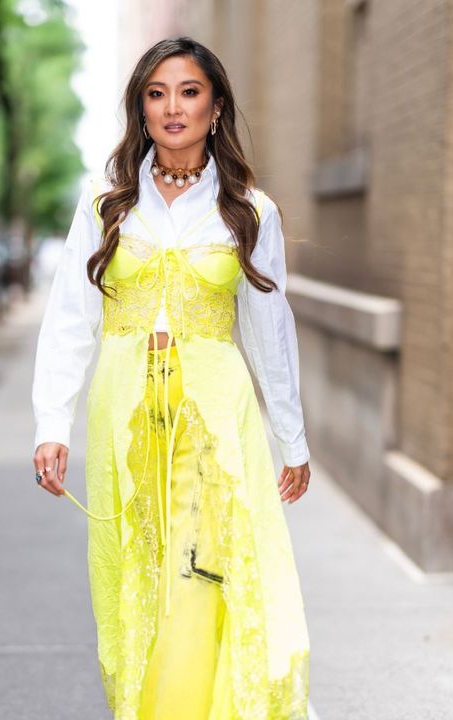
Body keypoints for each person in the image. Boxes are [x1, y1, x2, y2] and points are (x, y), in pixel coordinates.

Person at [31, 37, 312, 719]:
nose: (172, 108)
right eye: (156, 94)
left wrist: (291, 438)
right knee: (137, 572)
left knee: (205, 572)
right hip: (124, 412)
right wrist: (51, 423)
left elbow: (270, 332)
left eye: (188, 92)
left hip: (215, 419)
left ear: (215, 106)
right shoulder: (106, 202)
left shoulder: (250, 209)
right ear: (141, 109)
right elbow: (71, 315)